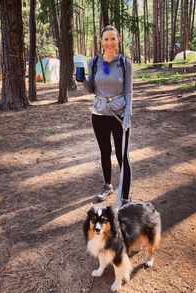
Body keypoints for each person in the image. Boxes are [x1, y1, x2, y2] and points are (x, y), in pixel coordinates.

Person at [81, 25, 133, 205]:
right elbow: (91, 89)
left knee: (122, 155)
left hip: (119, 116)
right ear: (101, 41)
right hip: (98, 114)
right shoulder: (93, 62)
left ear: (118, 40)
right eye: (106, 39)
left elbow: (129, 92)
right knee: (104, 152)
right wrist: (81, 81)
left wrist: (128, 116)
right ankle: (107, 186)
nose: (109, 42)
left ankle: (125, 196)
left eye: (113, 38)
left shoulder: (125, 64)